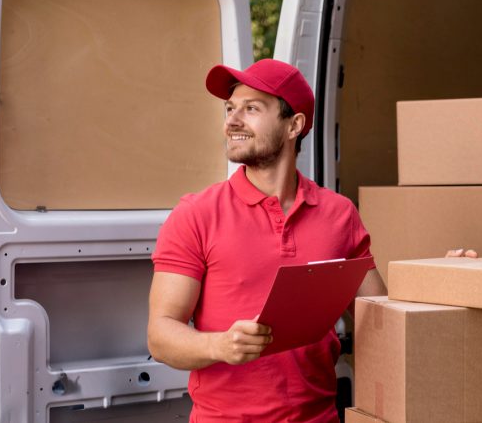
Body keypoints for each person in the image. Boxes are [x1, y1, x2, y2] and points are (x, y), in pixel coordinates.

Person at [146, 59, 387, 422]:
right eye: (230, 109)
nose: (232, 121)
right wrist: (222, 344)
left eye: (251, 108)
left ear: (294, 125)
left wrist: (446, 279)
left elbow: (380, 317)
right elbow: (160, 335)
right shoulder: (196, 214)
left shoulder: (339, 215)